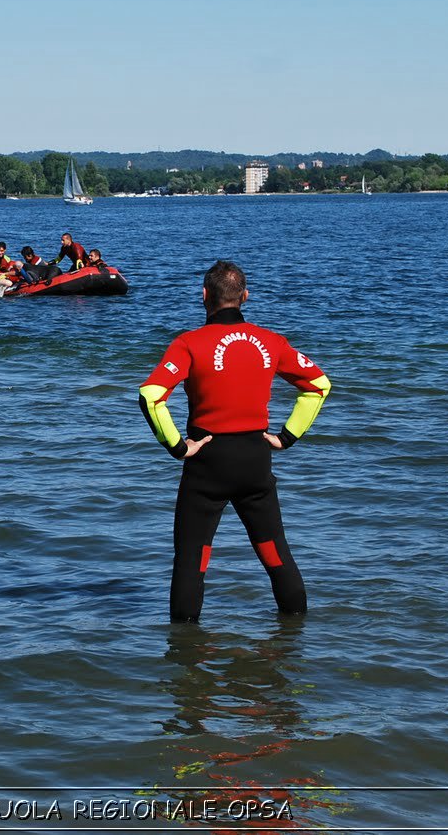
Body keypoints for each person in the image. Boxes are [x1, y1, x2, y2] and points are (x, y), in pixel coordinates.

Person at [138, 260, 333, 624]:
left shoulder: (188, 344)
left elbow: (151, 395)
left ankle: (187, 662)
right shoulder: (272, 342)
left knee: (192, 561)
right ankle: (296, 646)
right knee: (275, 554)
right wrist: (287, 437)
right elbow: (319, 385)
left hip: (207, 462)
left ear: (204, 296)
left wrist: (179, 447)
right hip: (256, 461)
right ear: (245, 297)